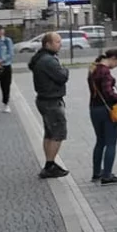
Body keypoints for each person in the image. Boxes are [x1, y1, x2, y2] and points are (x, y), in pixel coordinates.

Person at [29, 32, 70, 179]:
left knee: (49, 133)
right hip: (51, 101)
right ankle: (50, 165)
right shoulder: (49, 60)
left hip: (44, 99)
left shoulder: (40, 57)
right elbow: (62, 77)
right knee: (58, 134)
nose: (60, 44)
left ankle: (49, 163)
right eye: (57, 42)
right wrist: (65, 69)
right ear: (48, 44)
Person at [88, 49, 117, 185]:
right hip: (107, 110)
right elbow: (108, 93)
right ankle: (107, 175)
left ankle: (96, 172)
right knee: (111, 143)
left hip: (94, 108)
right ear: (113, 58)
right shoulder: (105, 72)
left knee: (100, 141)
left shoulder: (93, 69)